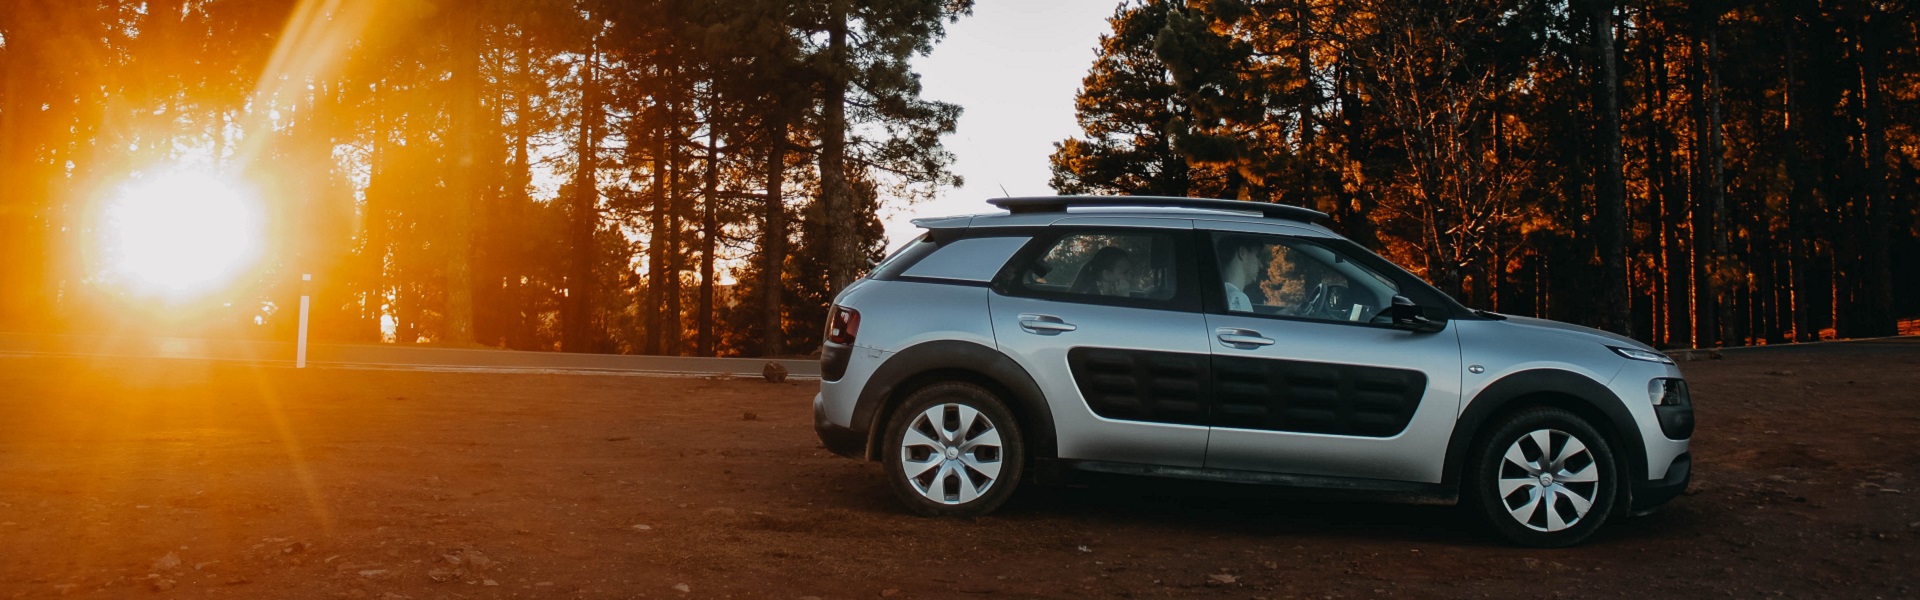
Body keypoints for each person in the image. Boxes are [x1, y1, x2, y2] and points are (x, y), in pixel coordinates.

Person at [1217, 236, 1262, 312]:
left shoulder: (1223, 296)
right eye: (1257, 256)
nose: (1261, 265)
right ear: (1242, 253)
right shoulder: (1238, 298)